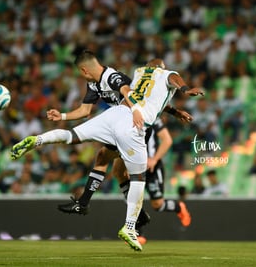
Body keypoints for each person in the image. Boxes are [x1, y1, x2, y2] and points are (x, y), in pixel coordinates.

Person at [10, 58, 203, 251]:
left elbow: (141, 94)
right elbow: (173, 77)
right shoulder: (162, 74)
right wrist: (186, 89)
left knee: (75, 138)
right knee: (136, 177)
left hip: (115, 115)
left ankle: (38, 140)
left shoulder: (138, 72)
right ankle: (130, 226)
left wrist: (174, 111)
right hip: (135, 123)